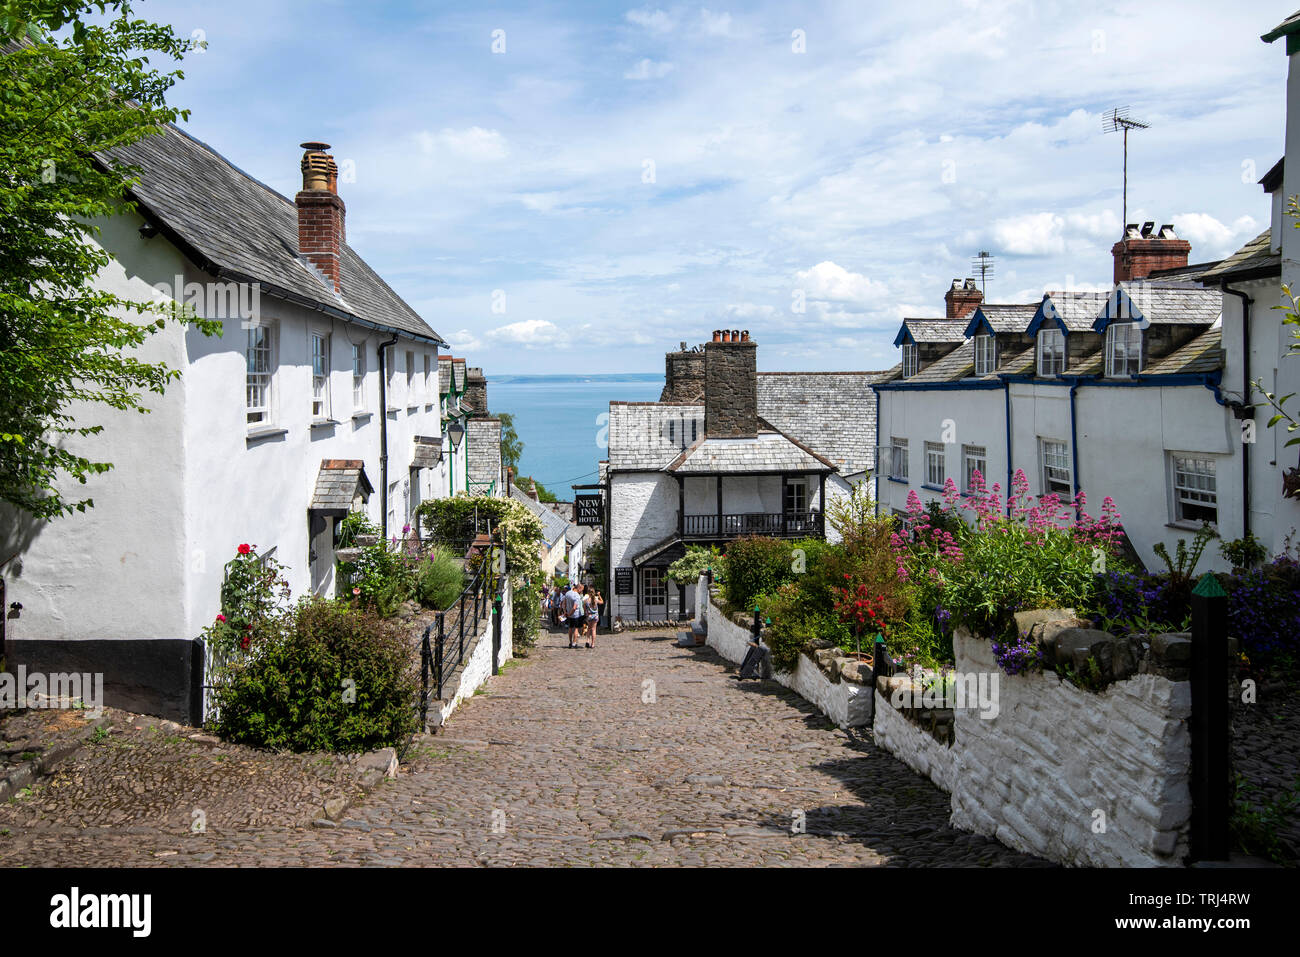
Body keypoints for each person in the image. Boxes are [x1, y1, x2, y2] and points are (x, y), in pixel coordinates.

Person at [565, 582, 584, 647]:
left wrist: (566, 612)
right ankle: (574, 643)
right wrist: (570, 613)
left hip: (569, 614)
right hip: (576, 615)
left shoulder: (567, 593)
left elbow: (563, 603)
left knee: (570, 628)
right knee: (576, 629)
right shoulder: (577, 596)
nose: (581, 591)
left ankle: (570, 642)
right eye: (582, 590)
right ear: (579, 588)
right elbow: (574, 607)